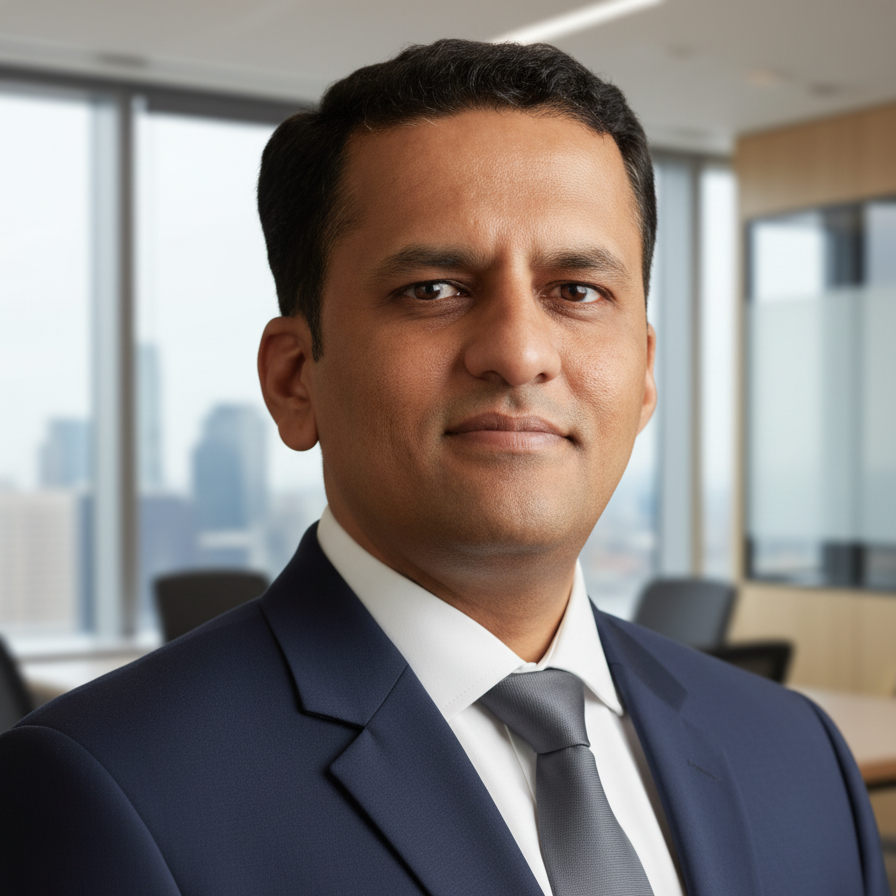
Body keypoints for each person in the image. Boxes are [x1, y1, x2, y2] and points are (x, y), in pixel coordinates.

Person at [0, 39, 887, 896]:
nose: (518, 351)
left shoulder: (795, 750)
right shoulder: (105, 787)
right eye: (434, 289)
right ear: (293, 378)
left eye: (577, 290)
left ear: (646, 373)